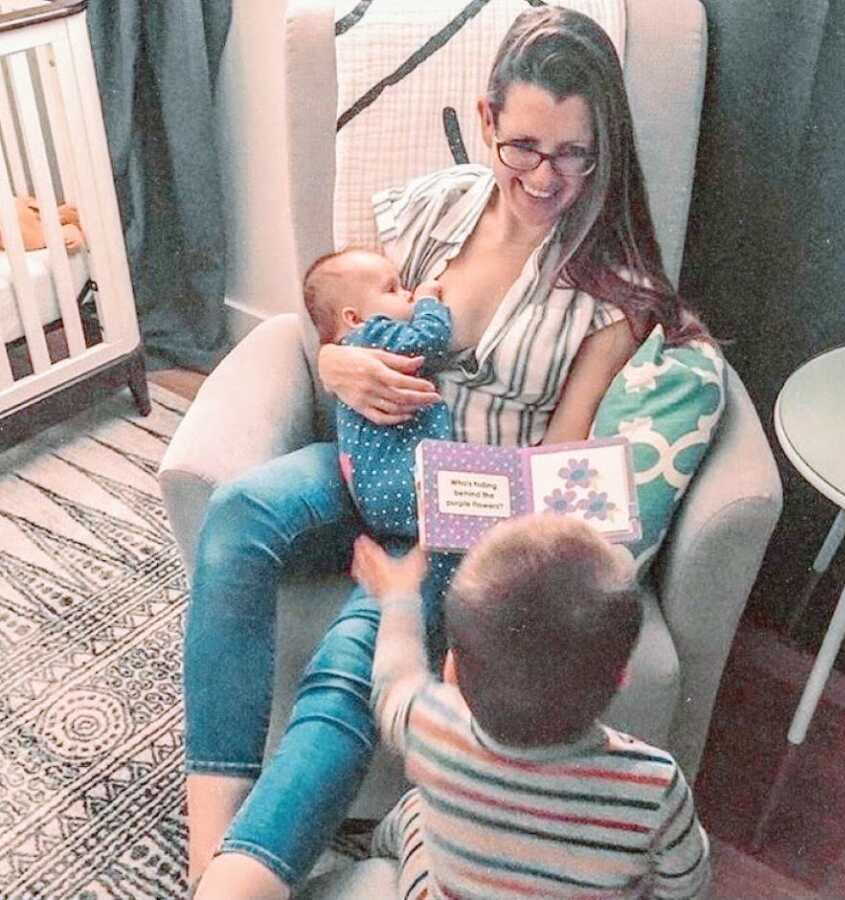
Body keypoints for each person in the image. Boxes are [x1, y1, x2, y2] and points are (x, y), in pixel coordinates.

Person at [188, 6, 711, 898]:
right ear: (485, 122)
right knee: (237, 514)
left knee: (356, 652)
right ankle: (209, 844)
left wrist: (458, 517)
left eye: (575, 153)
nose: (548, 176)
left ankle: (244, 881)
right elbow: (345, 309)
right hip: (364, 457)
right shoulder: (431, 208)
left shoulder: (611, 295)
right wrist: (337, 362)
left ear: (605, 148)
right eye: (525, 146)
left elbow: (558, 458)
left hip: (461, 516)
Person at [351, 516, 712, 899]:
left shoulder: (434, 728)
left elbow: (394, 683)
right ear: (623, 677)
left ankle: (365, 852)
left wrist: (398, 599)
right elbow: (687, 887)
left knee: (415, 811)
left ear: (451, 668)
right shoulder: (653, 784)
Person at [303, 247, 452, 537]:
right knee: (439, 543)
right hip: (400, 485)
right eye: (392, 289)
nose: (406, 293)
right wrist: (427, 300)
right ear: (355, 318)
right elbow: (432, 339)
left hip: (371, 487)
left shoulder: (352, 345)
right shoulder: (372, 335)